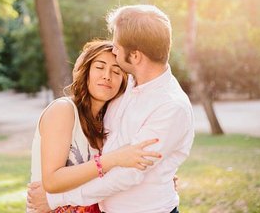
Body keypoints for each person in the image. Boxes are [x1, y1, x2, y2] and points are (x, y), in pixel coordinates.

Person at [28, 5, 195, 213]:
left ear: (135, 56)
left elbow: (127, 174)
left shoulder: (171, 106)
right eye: (100, 68)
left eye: (117, 46)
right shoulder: (125, 89)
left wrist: (56, 199)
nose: (114, 52)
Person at [28, 40, 161, 213]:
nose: (107, 75)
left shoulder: (109, 123)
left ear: (123, 82)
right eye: (100, 67)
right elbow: (52, 181)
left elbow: (119, 176)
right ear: (86, 71)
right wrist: (113, 158)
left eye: (116, 71)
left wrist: (158, 180)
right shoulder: (63, 110)